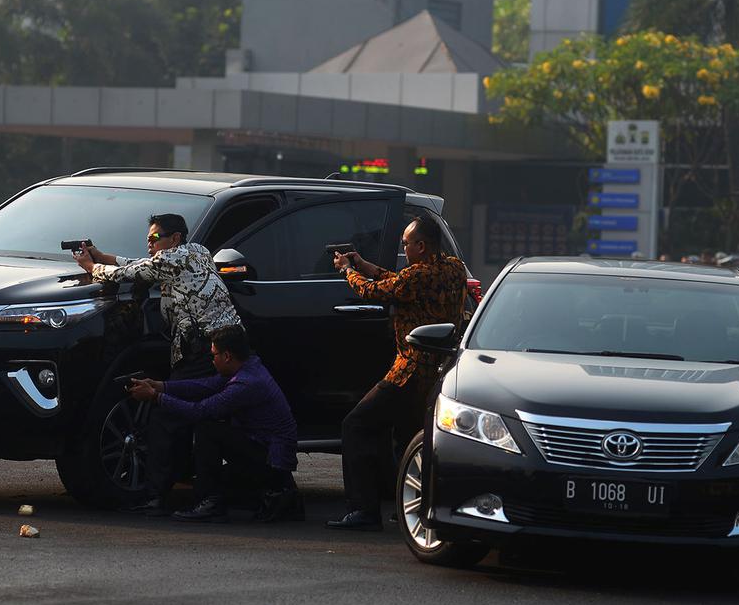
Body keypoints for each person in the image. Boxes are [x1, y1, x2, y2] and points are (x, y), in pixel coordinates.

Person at [74, 213, 242, 515]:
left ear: (174, 238)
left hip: (207, 350)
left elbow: (130, 272)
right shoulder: (197, 251)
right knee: (203, 423)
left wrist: (91, 267)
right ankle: (202, 496)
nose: (149, 243)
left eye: (154, 238)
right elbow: (139, 262)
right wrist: (102, 255)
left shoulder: (172, 259)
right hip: (219, 349)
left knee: (167, 417)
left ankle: (159, 497)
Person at [326, 215, 467, 531]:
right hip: (438, 372)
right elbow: (398, 283)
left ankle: (363, 510)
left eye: (406, 243)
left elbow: (377, 292)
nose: (403, 248)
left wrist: (348, 271)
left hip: (409, 371)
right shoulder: (454, 268)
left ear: (421, 245)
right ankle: (408, 505)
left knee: (357, 425)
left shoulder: (418, 275)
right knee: (408, 440)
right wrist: (363, 263)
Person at [126, 325, 300, 523]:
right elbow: (207, 385)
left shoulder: (246, 384)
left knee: (207, 429)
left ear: (227, 356)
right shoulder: (249, 365)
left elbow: (198, 410)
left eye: (214, 354)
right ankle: (263, 494)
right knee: (222, 478)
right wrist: (162, 385)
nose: (212, 360)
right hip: (264, 451)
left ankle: (211, 502)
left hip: (271, 461)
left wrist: (156, 397)